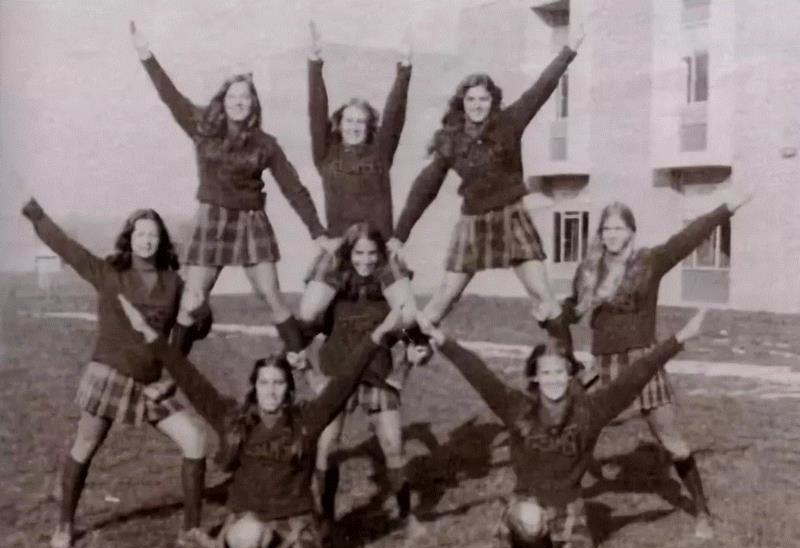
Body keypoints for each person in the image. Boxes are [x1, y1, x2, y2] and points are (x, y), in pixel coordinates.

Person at [117, 294, 403, 548]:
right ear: (254, 387)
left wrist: (378, 334)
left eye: (278, 383)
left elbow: (345, 380)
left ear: (288, 389)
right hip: (248, 521)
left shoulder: (307, 420)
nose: (271, 390)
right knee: (249, 537)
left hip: (294, 523)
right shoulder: (232, 418)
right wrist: (148, 333)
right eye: (264, 382)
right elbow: (190, 379)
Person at [418, 308, 708, 548]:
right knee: (531, 520)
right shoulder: (516, 408)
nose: (553, 380)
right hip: (527, 507)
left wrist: (679, 339)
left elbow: (634, 376)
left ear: (570, 375)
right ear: (535, 377)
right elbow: (478, 374)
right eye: (546, 373)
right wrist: (441, 339)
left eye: (559, 372)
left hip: (569, 511)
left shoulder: (590, 412)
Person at [130, 21, 334, 357]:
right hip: (212, 218)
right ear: (223, 100)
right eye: (233, 96)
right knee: (192, 300)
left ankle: (305, 368)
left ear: (253, 104)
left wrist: (318, 232)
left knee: (272, 296)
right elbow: (170, 96)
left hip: (251, 221)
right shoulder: (202, 128)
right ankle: (173, 372)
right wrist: (146, 56)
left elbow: (294, 188)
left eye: (245, 98)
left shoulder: (266, 144)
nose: (239, 103)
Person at [21, 198, 209, 548]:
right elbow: (67, 247)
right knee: (85, 445)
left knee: (196, 440)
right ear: (129, 238)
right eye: (141, 234)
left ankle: (191, 529)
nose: (147, 241)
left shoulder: (174, 282)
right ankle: (65, 524)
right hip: (109, 375)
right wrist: (36, 214)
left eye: (153, 235)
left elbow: (195, 329)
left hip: (151, 384)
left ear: (161, 240)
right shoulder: (109, 272)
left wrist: (201, 312)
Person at [564, 191, 752, 540]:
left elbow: (687, 238)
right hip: (603, 364)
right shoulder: (588, 270)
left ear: (631, 232)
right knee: (576, 430)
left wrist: (727, 209)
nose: (612, 235)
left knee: (672, 441)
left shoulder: (649, 261)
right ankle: (562, 511)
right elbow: (573, 308)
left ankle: (702, 513)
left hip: (643, 363)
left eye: (619, 229)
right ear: (600, 233)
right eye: (607, 229)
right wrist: (553, 313)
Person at [388, 31, 585, 356]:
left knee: (546, 299)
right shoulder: (450, 139)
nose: (477, 105)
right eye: (471, 99)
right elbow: (425, 187)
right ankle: (403, 355)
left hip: (512, 217)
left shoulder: (509, 123)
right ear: (462, 103)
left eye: (483, 99)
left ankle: (568, 365)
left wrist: (569, 51)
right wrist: (400, 235)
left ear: (492, 101)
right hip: (474, 224)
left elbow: (541, 88)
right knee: (442, 300)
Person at [301, 21, 428, 357]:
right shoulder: (326, 155)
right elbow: (315, 112)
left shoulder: (379, 154)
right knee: (308, 313)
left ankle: (388, 339)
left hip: (379, 248)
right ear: (339, 124)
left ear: (369, 126)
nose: (354, 127)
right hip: (340, 248)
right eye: (349, 121)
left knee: (409, 316)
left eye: (361, 121)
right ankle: (333, 330)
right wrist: (314, 63)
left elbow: (395, 115)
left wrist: (405, 67)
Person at [298, 222, 424, 538]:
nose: (365, 260)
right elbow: (307, 329)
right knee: (327, 446)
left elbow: (409, 331)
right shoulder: (334, 289)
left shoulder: (388, 290)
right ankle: (326, 517)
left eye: (371, 254)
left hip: (377, 374)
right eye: (358, 253)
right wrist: (306, 369)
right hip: (337, 375)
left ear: (381, 255)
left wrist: (416, 348)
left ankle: (407, 516)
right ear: (348, 253)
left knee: (393, 444)